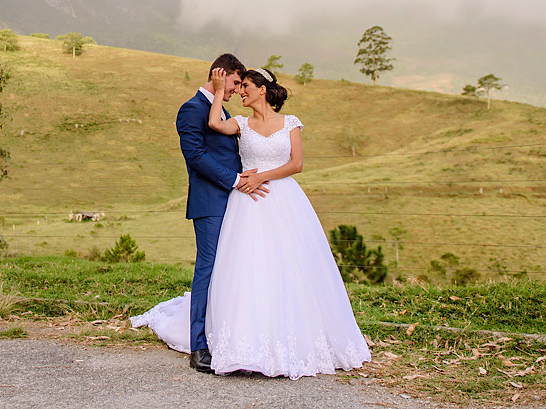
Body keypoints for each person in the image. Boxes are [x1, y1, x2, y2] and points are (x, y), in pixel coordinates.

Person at [132, 65, 371, 379]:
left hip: (282, 197)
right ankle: (247, 339)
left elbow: (296, 164)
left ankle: (296, 336)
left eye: (245, 86)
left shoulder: (291, 123)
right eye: (238, 85)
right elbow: (213, 122)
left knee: (291, 266)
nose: (240, 91)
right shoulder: (240, 123)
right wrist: (218, 91)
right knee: (248, 267)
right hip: (247, 203)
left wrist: (261, 177)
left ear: (263, 89)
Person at [158, 54, 266, 374]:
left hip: (233, 202)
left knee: (227, 272)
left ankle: (221, 334)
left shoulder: (223, 109)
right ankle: (198, 346)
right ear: (220, 74)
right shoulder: (191, 109)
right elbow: (195, 155)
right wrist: (234, 180)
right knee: (207, 270)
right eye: (235, 82)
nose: (236, 90)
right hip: (210, 203)